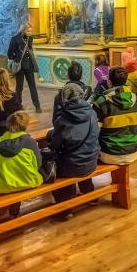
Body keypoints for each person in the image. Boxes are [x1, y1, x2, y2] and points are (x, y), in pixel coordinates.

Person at [48, 82, 101, 217]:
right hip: (91, 161)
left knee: (56, 165)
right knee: (81, 153)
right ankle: (90, 194)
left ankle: (64, 209)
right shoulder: (92, 114)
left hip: (72, 166)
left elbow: (56, 146)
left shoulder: (63, 118)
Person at [0, 111, 45, 194]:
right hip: (28, 182)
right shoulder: (30, 142)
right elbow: (38, 164)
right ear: (25, 125)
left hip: (0, 186)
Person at [92, 67, 137, 164]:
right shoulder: (135, 100)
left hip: (109, 153)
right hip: (133, 151)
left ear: (109, 82)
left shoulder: (102, 102)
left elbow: (94, 131)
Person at [7, 22, 43, 113]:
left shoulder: (30, 38)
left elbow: (29, 49)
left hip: (29, 65)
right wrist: (17, 59)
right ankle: (18, 105)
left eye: (31, 31)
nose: (30, 33)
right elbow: (10, 53)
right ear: (23, 30)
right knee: (19, 87)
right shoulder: (15, 39)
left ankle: (37, 106)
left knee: (32, 86)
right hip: (20, 66)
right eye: (28, 31)